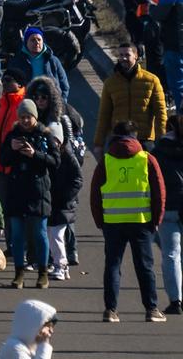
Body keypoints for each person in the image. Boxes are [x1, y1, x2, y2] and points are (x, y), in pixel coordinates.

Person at [91, 120, 169, 322]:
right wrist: (157, 219)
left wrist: (100, 221)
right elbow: (159, 191)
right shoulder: (146, 159)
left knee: (113, 266)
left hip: (113, 222)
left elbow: (95, 194)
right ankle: (151, 309)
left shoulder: (106, 161)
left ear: (114, 137)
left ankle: (111, 310)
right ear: (135, 136)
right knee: (145, 267)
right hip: (141, 221)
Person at [0, 98, 57, 289]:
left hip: (38, 190)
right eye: (22, 117)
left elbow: (55, 162)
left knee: (40, 233)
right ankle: (19, 273)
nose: (25, 121)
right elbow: (3, 160)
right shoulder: (13, 135)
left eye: (28, 117)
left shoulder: (45, 135)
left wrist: (35, 155)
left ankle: (43, 273)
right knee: (17, 234)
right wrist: (12, 149)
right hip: (17, 190)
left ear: (35, 117)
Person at [98, 43, 168, 149]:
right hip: (119, 139)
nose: (123, 58)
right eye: (121, 55)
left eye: (127, 54)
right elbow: (104, 114)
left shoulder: (151, 81)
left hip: (144, 139)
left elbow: (160, 112)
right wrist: (98, 143)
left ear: (136, 56)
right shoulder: (110, 83)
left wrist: (162, 140)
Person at [151, 109, 183, 315]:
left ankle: (175, 300)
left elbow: (151, 179)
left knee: (171, 254)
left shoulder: (159, 150)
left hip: (168, 206)